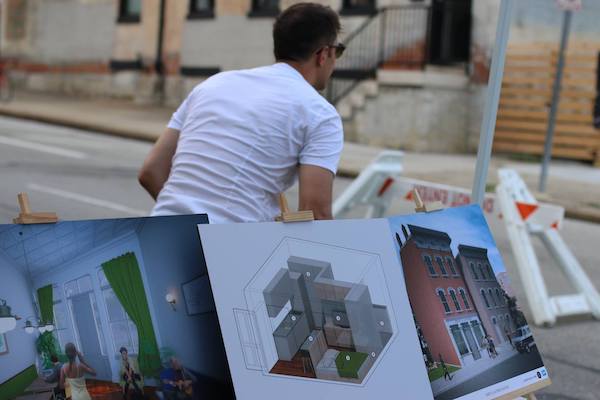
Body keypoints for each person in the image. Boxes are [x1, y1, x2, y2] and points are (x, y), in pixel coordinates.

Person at [139, 2, 345, 223]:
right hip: (226, 241)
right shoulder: (319, 113)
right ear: (324, 54)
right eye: (338, 51)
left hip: (160, 231)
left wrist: (187, 221)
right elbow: (316, 214)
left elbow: (151, 171)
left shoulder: (212, 85)